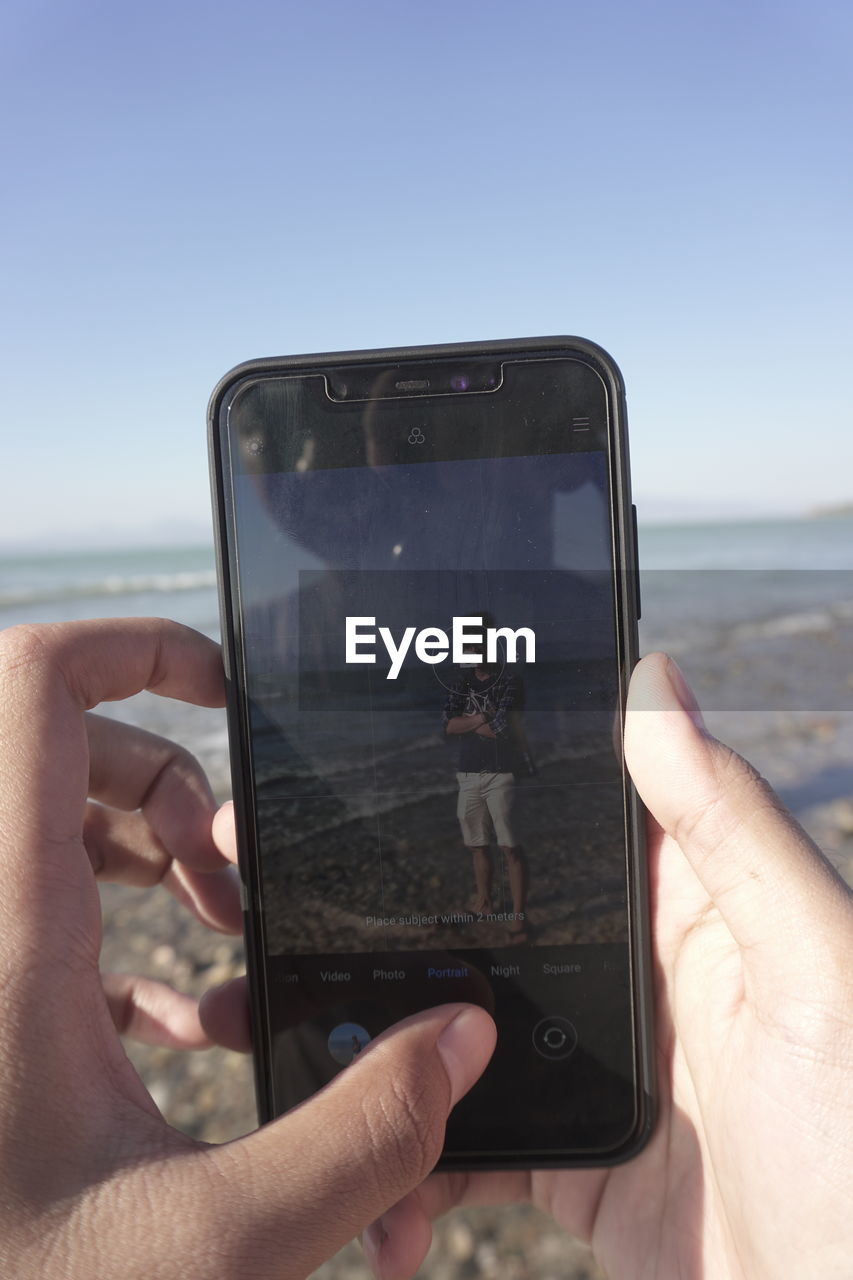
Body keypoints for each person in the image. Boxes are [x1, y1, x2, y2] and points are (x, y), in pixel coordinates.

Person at [0, 617, 850, 1280]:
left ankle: (504, 915)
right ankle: (488, 910)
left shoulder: (500, 693)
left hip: (497, 776)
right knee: (477, 851)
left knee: (502, 849)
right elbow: (454, 724)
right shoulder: (470, 692)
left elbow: (488, 724)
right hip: (465, 781)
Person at [442, 649, 529, 942]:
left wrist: (468, 723)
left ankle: (518, 915)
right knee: (476, 844)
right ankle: (485, 903)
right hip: (467, 773)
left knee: (510, 847)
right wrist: (483, 717)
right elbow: (447, 726)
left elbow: (502, 730)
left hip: (502, 772)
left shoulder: (509, 681)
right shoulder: (461, 681)